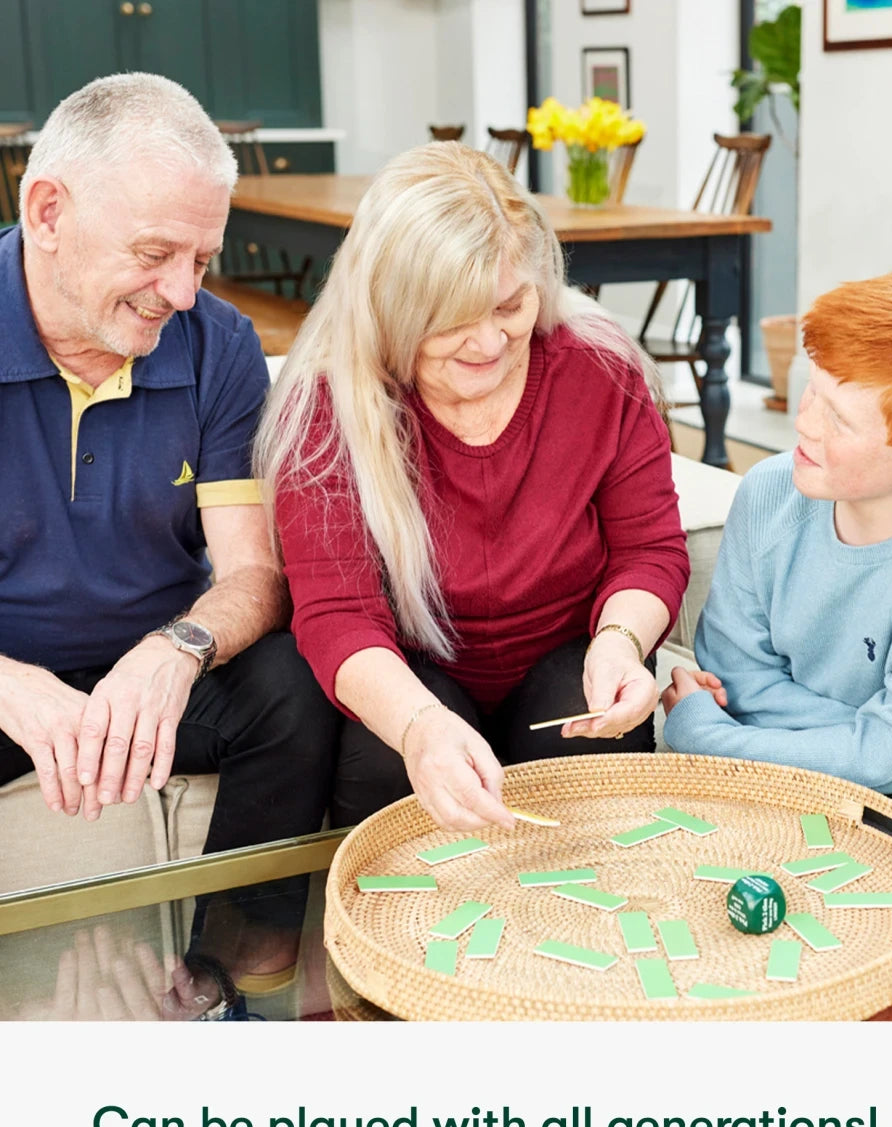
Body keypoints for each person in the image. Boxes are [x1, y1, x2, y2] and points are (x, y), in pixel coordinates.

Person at [0, 74, 340, 994]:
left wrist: (178, 648)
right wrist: (11, 685)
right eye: (155, 253)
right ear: (47, 211)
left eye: (202, 258)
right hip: (4, 678)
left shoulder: (219, 346)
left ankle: (219, 992)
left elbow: (253, 573)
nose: (183, 293)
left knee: (297, 683)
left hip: (153, 674)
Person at [258, 142, 689, 833]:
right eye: (453, 319)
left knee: (587, 745)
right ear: (389, 311)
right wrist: (420, 724)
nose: (489, 343)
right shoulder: (327, 406)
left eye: (510, 305)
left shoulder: (600, 372)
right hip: (415, 670)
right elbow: (337, 615)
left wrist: (620, 643)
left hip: (564, 653)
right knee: (386, 754)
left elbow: (650, 551)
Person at [661, 262, 892, 796]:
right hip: (766, 790)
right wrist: (860, 737)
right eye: (811, 392)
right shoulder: (767, 490)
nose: (804, 423)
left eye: (839, 419)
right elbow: (733, 680)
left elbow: (887, 763)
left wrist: (704, 734)